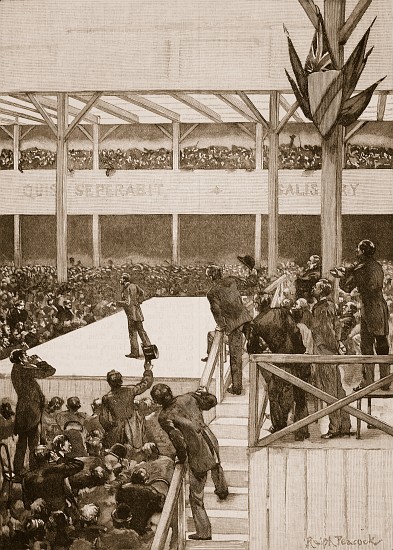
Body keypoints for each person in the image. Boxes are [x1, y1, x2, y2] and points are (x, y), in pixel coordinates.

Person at [151, 383, 228, 542]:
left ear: (157, 401)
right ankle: (222, 490)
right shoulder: (188, 397)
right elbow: (212, 401)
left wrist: (182, 458)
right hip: (210, 439)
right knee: (216, 465)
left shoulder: (164, 416)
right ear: (170, 392)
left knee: (196, 496)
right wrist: (205, 394)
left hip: (196, 450)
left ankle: (204, 532)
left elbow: (178, 439)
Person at [247, 294, 310, 441]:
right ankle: (301, 431)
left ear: (257, 304)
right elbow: (295, 332)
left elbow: (252, 348)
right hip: (295, 358)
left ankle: (279, 429)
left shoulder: (256, 322)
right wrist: (299, 352)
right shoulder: (282, 312)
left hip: (277, 362)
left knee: (275, 395)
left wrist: (266, 350)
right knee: (299, 395)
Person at [336, 240, 390, 390]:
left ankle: (368, 383)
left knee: (366, 346)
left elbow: (346, 286)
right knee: (382, 344)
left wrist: (344, 273)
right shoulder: (377, 266)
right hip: (381, 307)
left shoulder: (361, 268)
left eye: (358, 250)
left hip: (370, 308)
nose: (356, 252)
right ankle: (385, 382)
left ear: (363, 252)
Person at [311, 279, 352, 439]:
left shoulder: (322, 308)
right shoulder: (330, 306)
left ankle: (335, 428)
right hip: (330, 350)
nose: (313, 288)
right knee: (338, 390)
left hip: (325, 352)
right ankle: (345, 425)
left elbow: (326, 330)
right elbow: (337, 327)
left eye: (316, 287)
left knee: (330, 391)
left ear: (321, 291)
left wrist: (322, 346)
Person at [206, 265, 252, 395]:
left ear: (210, 277)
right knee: (254, 346)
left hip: (234, 325)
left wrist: (222, 327)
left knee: (235, 357)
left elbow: (217, 312)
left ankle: (237, 387)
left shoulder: (212, 293)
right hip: (245, 318)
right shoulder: (231, 280)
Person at [10, 348, 56, 479]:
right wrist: (39, 361)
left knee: (23, 444)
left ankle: (20, 470)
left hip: (26, 413)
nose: (28, 357)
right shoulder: (23, 370)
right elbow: (50, 371)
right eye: (25, 355)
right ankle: (34, 472)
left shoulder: (19, 369)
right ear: (20, 358)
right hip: (30, 414)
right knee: (33, 444)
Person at [100, 363, 153, 452]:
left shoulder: (106, 398)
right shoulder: (130, 390)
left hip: (117, 431)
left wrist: (111, 428)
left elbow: (103, 419)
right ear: (121, 381)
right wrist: (147, 370)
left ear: (109, 383)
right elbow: (146, 384)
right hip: (133, 430)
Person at [22, 445, 83, 512]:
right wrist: (59, 459)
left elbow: (27, 504)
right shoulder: (58, 469)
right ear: (50, 456)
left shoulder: (27, 477)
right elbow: (79, 464)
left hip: (42, 513)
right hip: (61, 511)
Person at [117, 272, 151, 359]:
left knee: (132, 333)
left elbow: (127, 303)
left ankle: (134, 353)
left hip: (131, 315)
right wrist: (138, 301)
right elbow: (142, 293)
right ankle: (150, 351)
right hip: (138, 313)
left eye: (121, 278)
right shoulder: (134, 286)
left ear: (124, 280)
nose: (120, 280)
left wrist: (116, 303)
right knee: (142, 332)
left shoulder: (126, 288)